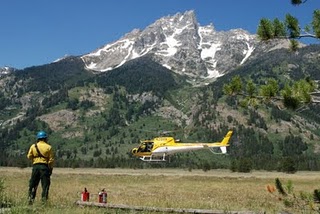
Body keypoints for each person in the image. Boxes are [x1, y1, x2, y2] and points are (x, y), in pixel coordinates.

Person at [27, 130, 54, 204]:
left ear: (38, 138)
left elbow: (29, 156)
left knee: (33, 184)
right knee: (45, 185)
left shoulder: (33, 146)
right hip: (44, 167)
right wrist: (50, 168)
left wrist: (34, 159)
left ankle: (30, 201)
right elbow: (51, 160)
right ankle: (44, 202)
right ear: (45, 138)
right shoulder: (49, 147)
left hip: (35, 166)